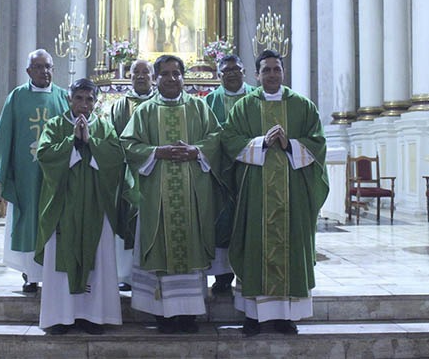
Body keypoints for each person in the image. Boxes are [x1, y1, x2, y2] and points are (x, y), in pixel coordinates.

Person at [220, 49, 329, 336]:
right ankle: (254, 316)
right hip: (256, 194)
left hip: (292, 195)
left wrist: (290, 144)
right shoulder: (244, 106)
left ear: (283, 72)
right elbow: (229, 140)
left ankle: (286, 316)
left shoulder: (302, 106)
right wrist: (261, 143)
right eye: (266, 70)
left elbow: (318, 142)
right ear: (256, 75)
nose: (271, 75)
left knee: (290, 247)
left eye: (276, 69)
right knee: (255, 248)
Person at [121, 54, 221, 334]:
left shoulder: (199, 108)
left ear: (183, 76)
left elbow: (216, 137)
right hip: (156, 199)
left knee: (187, 248)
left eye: (176, 73)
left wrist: (196, 151)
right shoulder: (145, 112)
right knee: (160, 248)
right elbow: (128, 144)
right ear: (156, 78)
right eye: (164, 74)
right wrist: (156, 152)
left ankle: (188, 314)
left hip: (191, 196)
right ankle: (161, 313)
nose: (171, 79)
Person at [35, 78, 124, 335]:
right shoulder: (55, 125)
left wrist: (90, 142)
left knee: (97, 256)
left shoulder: (104, 126)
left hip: (96, 205)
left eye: (89, 100)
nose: (84, 105)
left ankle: (93, 316)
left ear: (95, 102)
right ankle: (61, 316)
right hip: (64, 206)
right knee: (61, 260)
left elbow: (116, 157)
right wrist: (73, 142)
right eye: (79, 98)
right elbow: (45, 156)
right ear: (70, 99)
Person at [0, 49, 69, 293]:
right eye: (39, 67)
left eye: (48, 67)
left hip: (55, 173)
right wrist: (3, 170)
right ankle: (30, 274)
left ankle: (53, 271)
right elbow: (4, 134)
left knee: (54, 219)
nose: (45, 71)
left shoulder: (64, 97)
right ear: (28, 71)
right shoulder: (17, 97)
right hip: (25, 173)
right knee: (27, 218)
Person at [204, 54, 255, 296]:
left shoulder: (256, 97)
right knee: (222, 222)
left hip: (253, 169)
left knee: (249, 220)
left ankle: (248, 272)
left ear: (244, 72)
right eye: (226, 71)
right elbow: (207, 133)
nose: (232, 73)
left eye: (236, 69)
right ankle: (222, 275)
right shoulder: (210, 101)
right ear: (219, 75)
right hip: (221, 172)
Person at [109, 59, 156, 292]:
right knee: (127, 224)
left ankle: (151, 271)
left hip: (156, 173)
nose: (140, 76)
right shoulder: (119, 106)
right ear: (129, 77)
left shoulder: (161, 103)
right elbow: (112, 138)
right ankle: (125, 274)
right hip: (127, 173)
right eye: (135, 72)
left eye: (144, 72)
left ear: (152, 77)